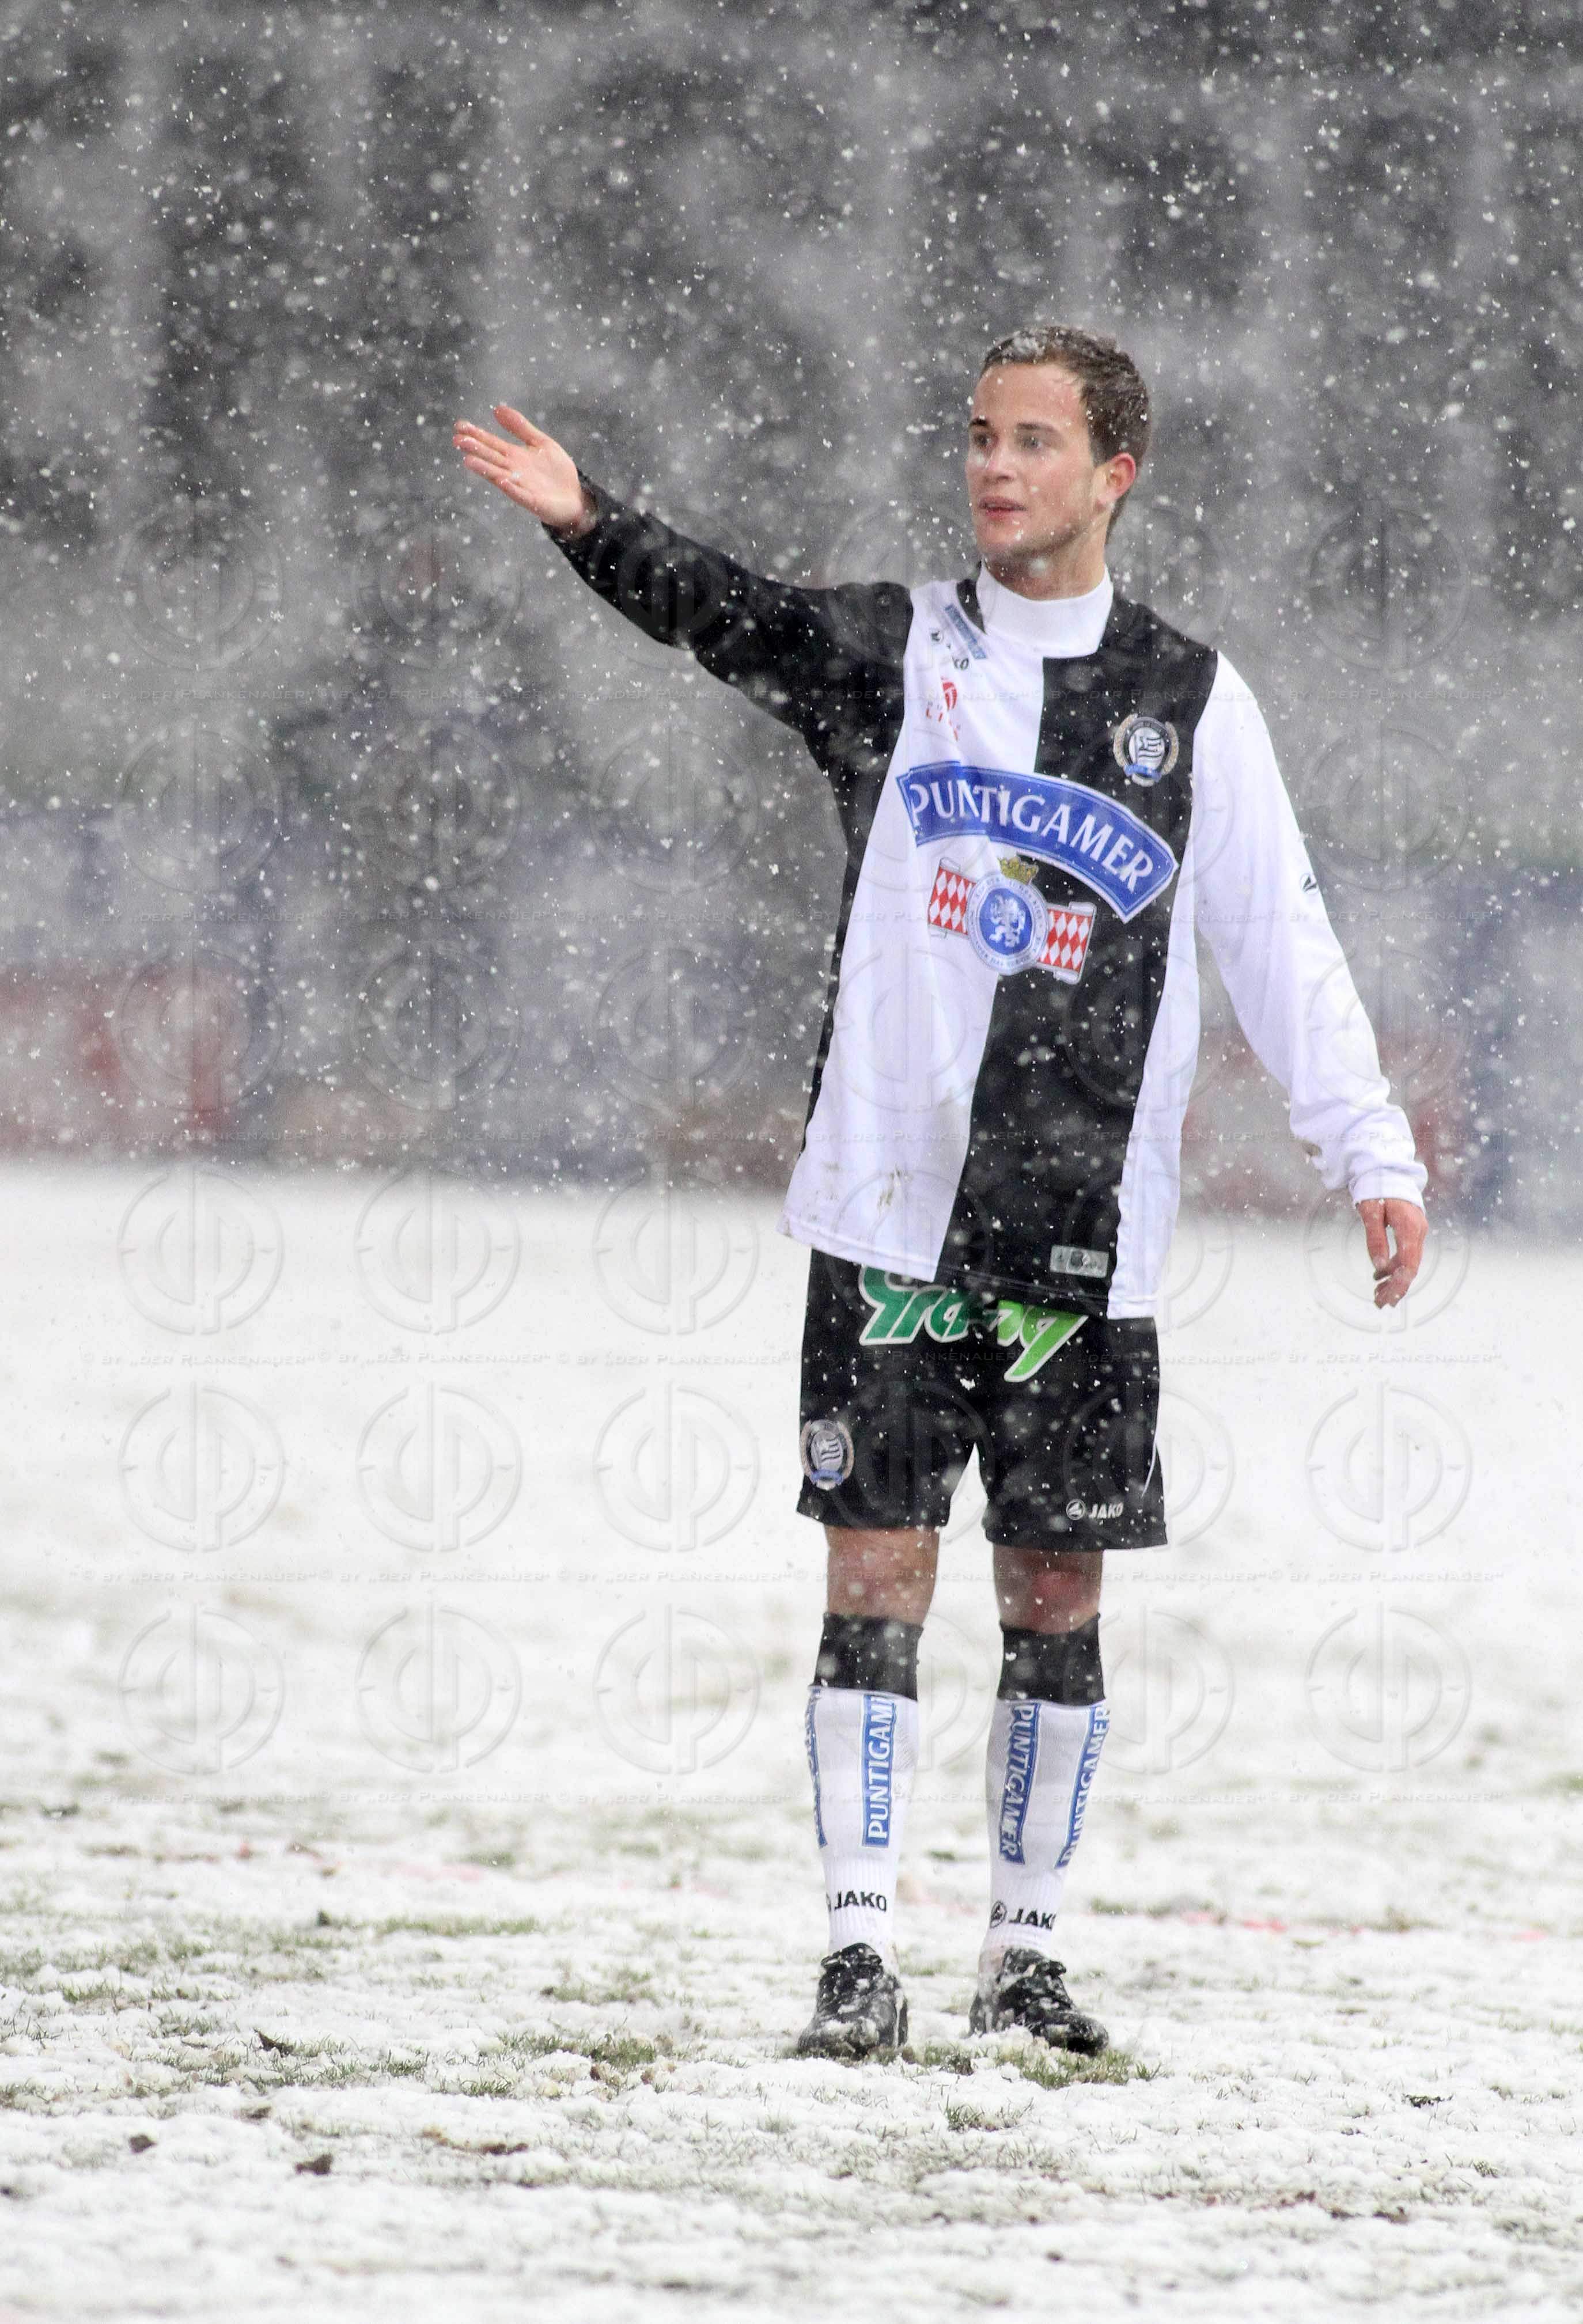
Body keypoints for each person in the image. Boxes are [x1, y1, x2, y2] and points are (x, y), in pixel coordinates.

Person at [454, 325, 1427, 2063]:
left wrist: (1371, 1151)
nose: (994, 467)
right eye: (979, 435)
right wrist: (589, 522)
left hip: (1083, 1246)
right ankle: (853, 1952)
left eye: (1035, 442)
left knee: (1056, 1596)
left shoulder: (1189, 702)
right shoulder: (896, 653)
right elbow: (729, 609)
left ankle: (1025, 1953)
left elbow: (1277, 940)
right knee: (875, 1578)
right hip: (889, 1217)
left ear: (1114, 473)